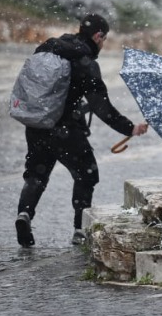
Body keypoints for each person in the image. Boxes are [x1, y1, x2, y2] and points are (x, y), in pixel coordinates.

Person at [15, 14, 148, 247]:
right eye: (104, 39)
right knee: (87, 173)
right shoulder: (85, 62)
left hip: (37, 124)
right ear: (98, 35)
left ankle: (24, 214)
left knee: (37, 173)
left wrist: (76, 104)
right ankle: (80, 229)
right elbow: (102, 108)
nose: (103, 45)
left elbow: (54, 92)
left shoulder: (50, 47)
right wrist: (130, 127)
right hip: (65, 131)